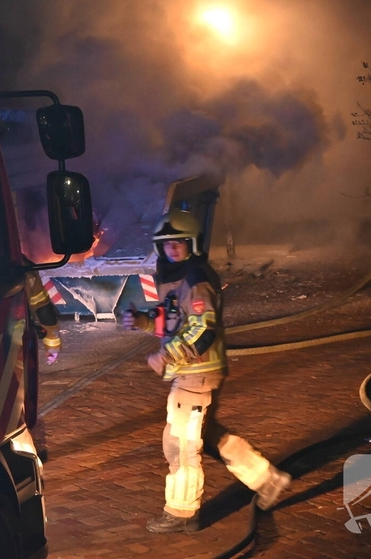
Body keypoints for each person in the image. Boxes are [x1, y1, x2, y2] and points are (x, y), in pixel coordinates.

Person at [122, 209, 291, 533]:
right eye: (167, 244)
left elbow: (203, 331)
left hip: (196, 373)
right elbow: (173, 320)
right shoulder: (177, 278)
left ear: (193, 245)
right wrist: (142, 321)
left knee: (179, 444)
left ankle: (181, 512)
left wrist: (166, 355)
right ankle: (267, 480)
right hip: (193, 372)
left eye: (179, 243)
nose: (173, 249)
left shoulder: (196, 280)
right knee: (207, 434)